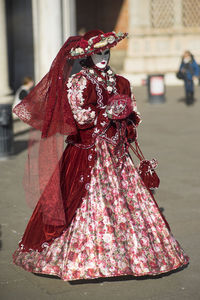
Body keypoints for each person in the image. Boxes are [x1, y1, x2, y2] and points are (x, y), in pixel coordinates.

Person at [12, 30, 189, 281]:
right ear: (88, 56)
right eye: (98, 53)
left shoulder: (119, 81)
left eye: (106, 52)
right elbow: (80, 116)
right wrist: (107, 113)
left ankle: (134, 255)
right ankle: (85, 258)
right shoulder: (80, 81)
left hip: (117, 154)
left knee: (128, 200)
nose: (103, 57)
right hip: (90, 152)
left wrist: (125, 115)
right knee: (84, 202)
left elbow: (132, 109)